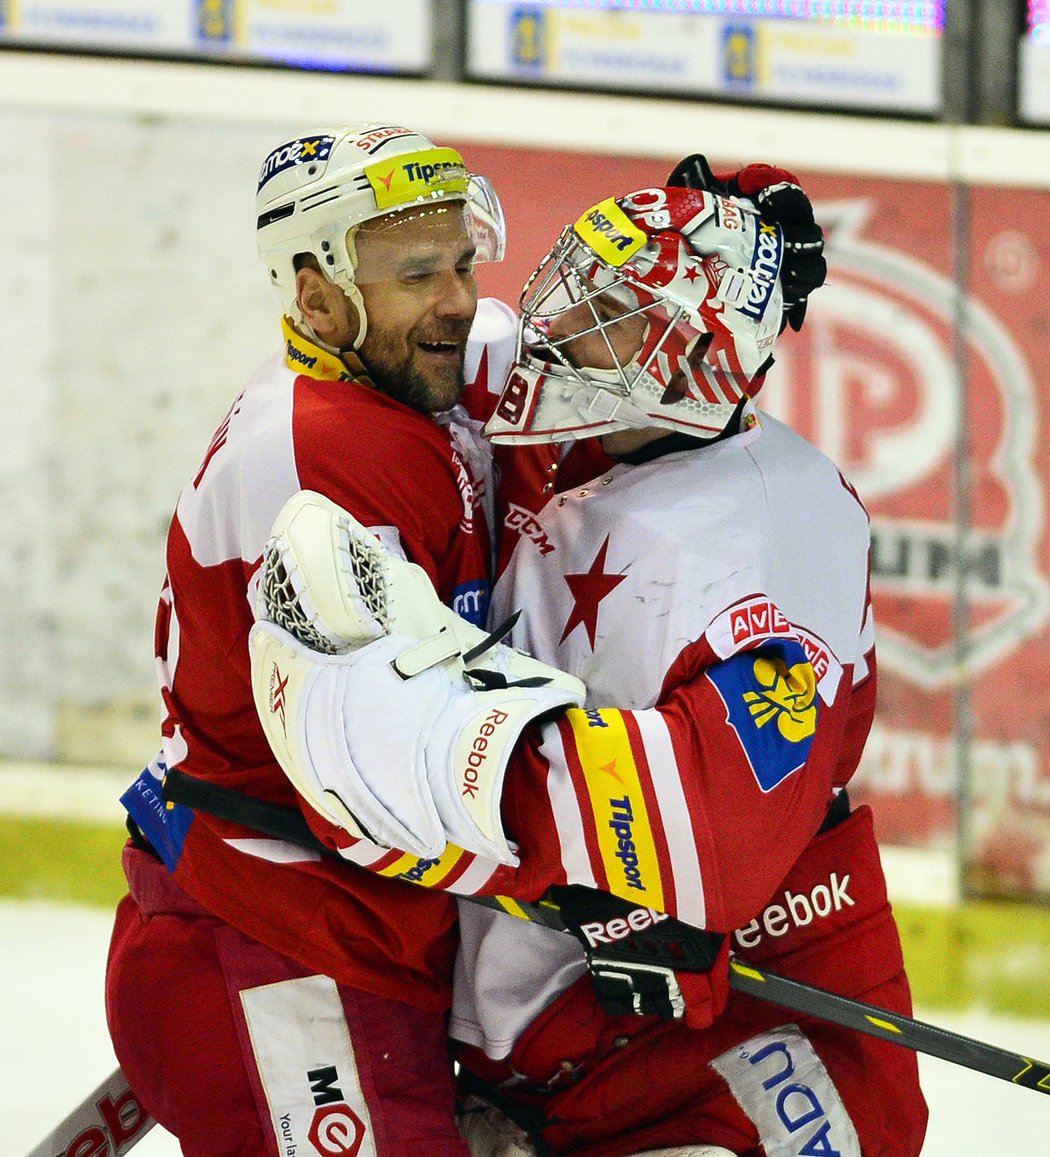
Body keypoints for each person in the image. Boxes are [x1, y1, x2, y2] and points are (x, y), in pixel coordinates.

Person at [246, 179, 929, 1155]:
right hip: (564, 1044)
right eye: (576, 292)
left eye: (605, 315)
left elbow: (713, 830)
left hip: (745, 1045)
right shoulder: (602, 427)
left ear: (693, 357)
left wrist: (429, 744)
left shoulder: (772, 535)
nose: (556, 326)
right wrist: (727, 220)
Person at [104, 123, 530, 1157]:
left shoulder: (380, 399)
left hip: (312, 939)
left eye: (463, 261)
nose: (459, 299)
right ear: (318, 293)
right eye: (415, 273)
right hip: (271, 947)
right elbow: (393, 762)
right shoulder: (323, 456)